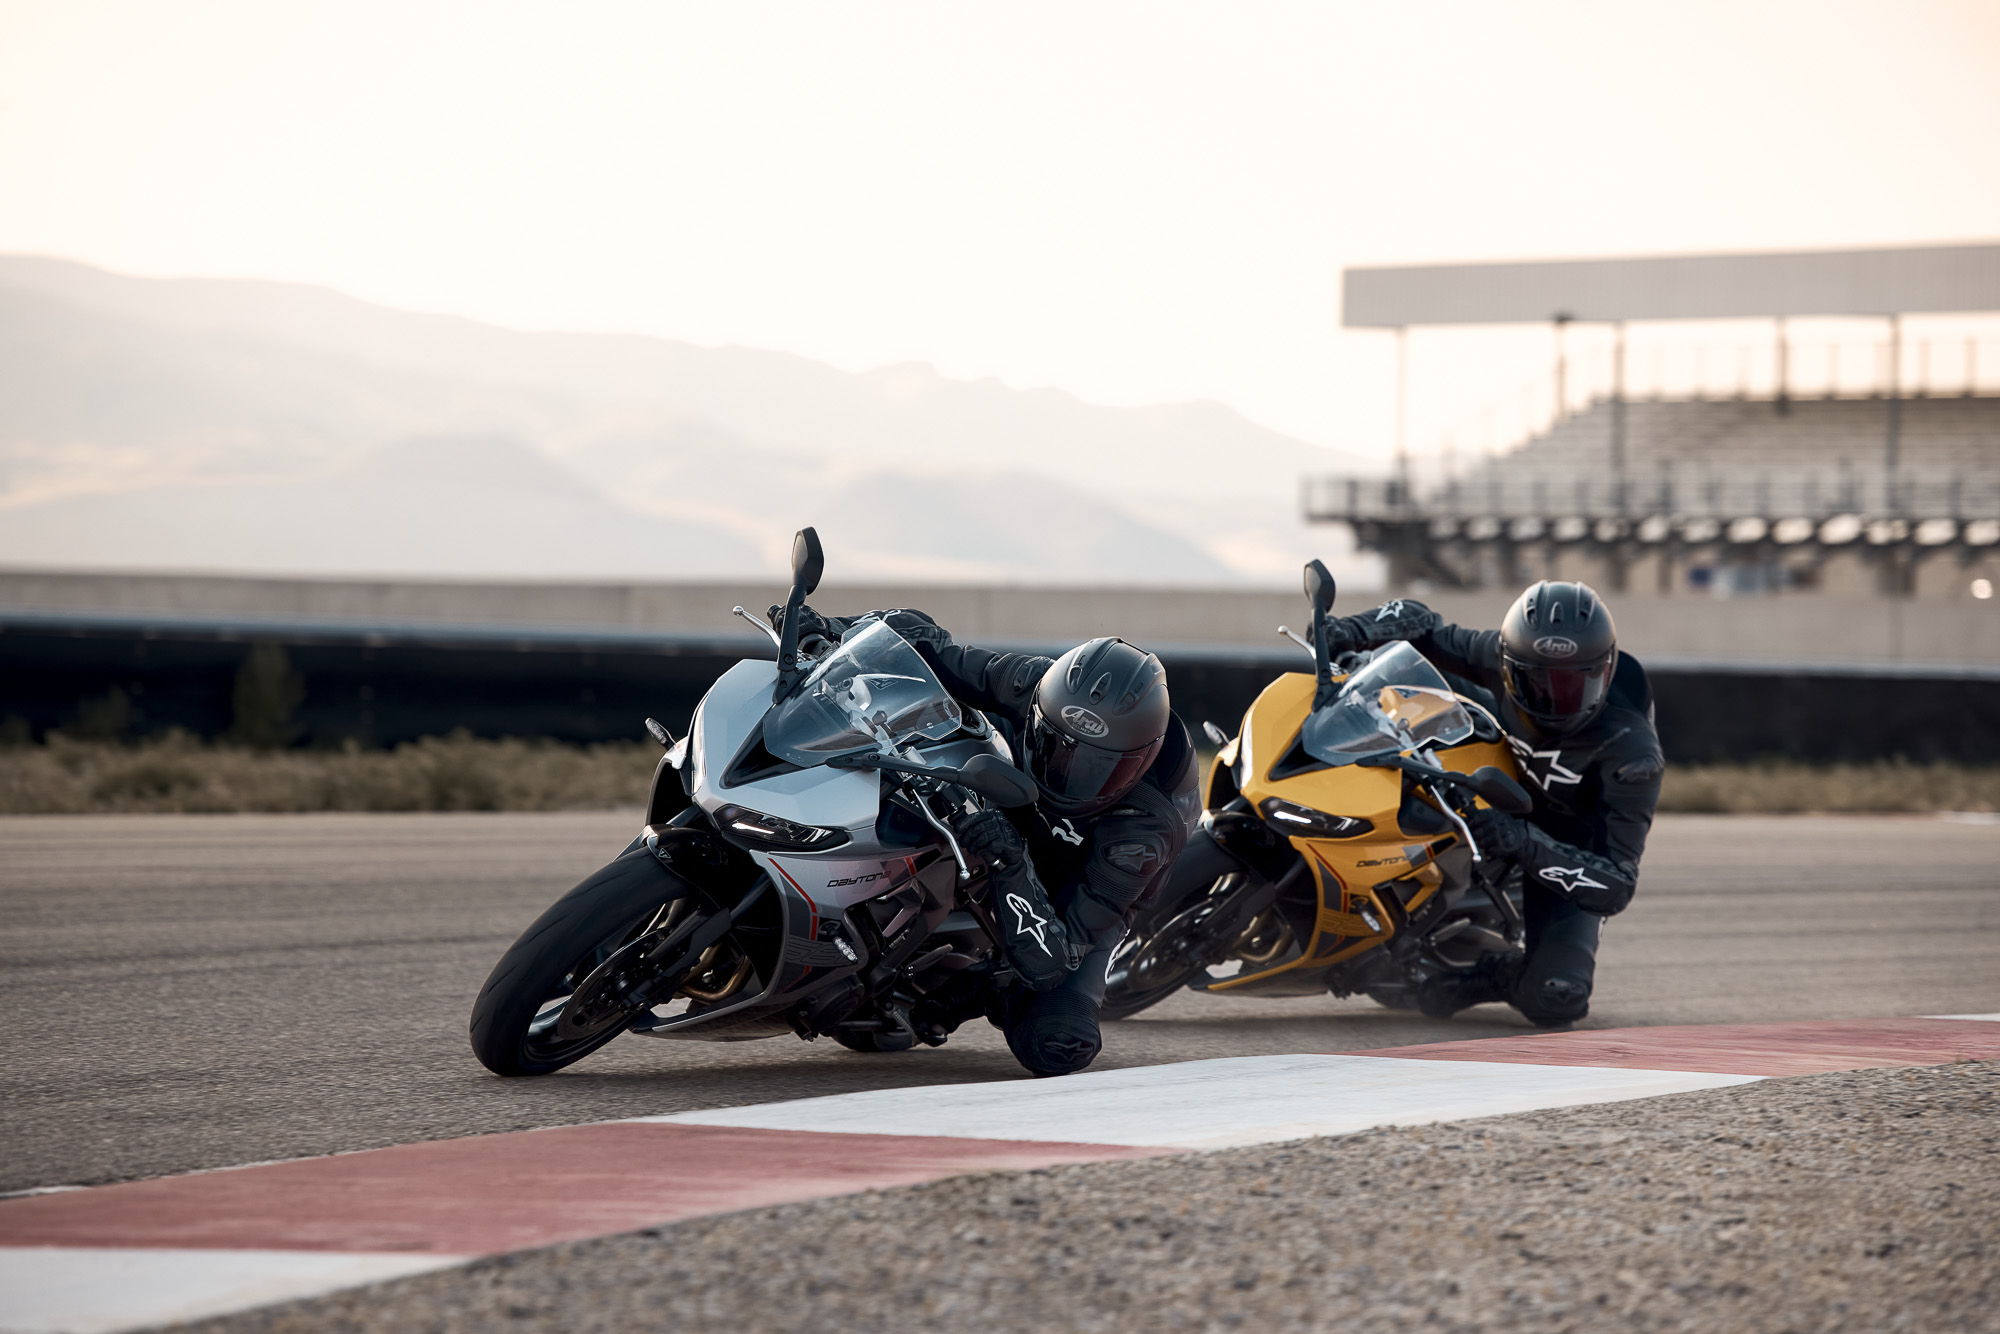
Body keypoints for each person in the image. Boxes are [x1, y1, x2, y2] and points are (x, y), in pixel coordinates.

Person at [777, 604, 1200, 1075]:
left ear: (1143, 760)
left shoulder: (1146, 831)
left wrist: (1011, 862)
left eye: (1100, 767)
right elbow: (929, 646)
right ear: (1041, 708)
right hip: (1003, 793)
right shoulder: (1034, 683)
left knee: (1060, 1043)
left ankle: (987, 985)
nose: (1068, 774)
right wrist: (831, 631)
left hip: (1079, 884)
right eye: (1055, 745)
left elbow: (1055, 959)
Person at [1324, 580, 1664, 1026]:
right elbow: (1422, 622)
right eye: (1534, 680)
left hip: (1564, 844)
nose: (1552, 698)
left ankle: (1490, 976)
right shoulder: (1498, 654)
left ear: (1607, 670)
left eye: (1572, 684)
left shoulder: (1634, 757)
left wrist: (1525, 841)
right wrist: (1353, 629)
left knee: (1559, 998)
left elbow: (1617, 885)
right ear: (1508, 664)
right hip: (1482, 780)